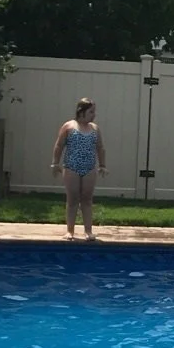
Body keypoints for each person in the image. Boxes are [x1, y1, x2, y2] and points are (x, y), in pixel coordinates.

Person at [51, 99, 106, 241]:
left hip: (89, 168)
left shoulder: (94, 129)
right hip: (71, 168)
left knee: (87, 200)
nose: (94, 115)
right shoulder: (69, 126)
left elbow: (100, 148)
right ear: (81, 112)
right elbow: (59, 146)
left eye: (94, 111)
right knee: (73, 199)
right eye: (91, 112)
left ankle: (88, 231)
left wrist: (102, 165)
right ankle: (70, 231)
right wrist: (55, 163)